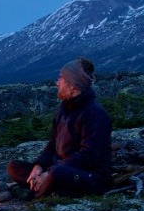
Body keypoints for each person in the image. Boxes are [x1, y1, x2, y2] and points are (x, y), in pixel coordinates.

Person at [7, 57, 112, 198]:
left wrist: (49, 172)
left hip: (88, 175)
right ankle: (43, 185)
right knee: (13, 167)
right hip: (58, 167)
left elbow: (88, 157)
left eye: (61, 79)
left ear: (73, 86)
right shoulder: (64, 110)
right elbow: (52, 146)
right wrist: (38, 167)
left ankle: (36, 192)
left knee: (57, 174)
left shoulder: (95, 114)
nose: (57, 83)